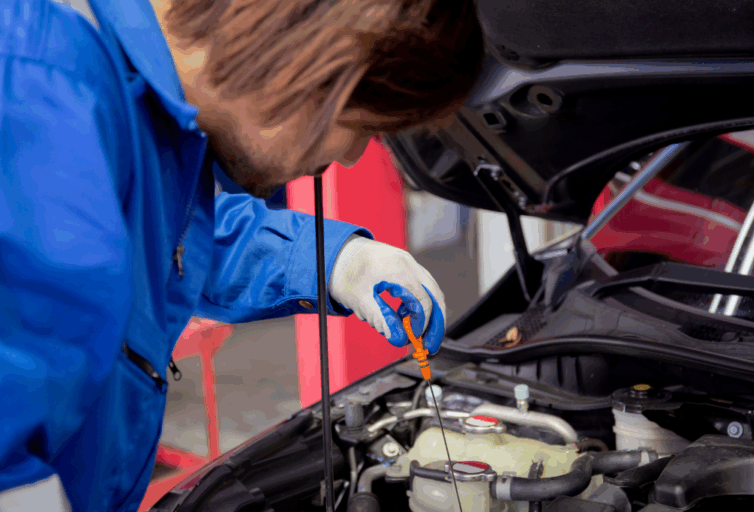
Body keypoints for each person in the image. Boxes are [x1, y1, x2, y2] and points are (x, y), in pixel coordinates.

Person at [0, 0, 483, 510]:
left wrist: (336, 262)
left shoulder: (141, 111)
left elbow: (159, 242)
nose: (350, 156)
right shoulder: (39, 90)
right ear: (305, 62)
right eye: (359, 126)